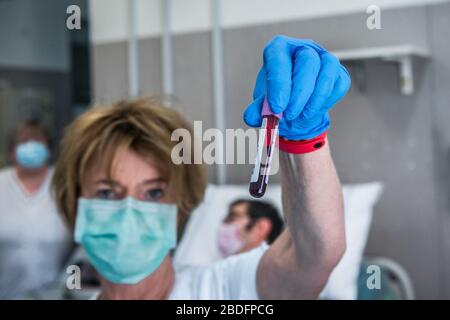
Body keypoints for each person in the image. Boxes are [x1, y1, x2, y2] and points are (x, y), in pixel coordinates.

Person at [52, 35, 350, 299]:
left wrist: (302, 138)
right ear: (74, 203)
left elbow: (313, 257)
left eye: (153, 193)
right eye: (107, 193)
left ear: (179, 206)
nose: (130, 213)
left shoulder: (224, 290)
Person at [0, 119, 71, 298]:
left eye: (37, 141)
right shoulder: (2, 183)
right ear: (11, 151)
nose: (31, 146)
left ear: (48, 148)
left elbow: (80, 251)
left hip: (58, 295)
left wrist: (73, 290)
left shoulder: (66, 185)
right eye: (23, 141)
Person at [217, 199, 284, 257]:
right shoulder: (225, 267)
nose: (225, 225)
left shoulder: (270, 269)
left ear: (261, 228)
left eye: (233, 217)